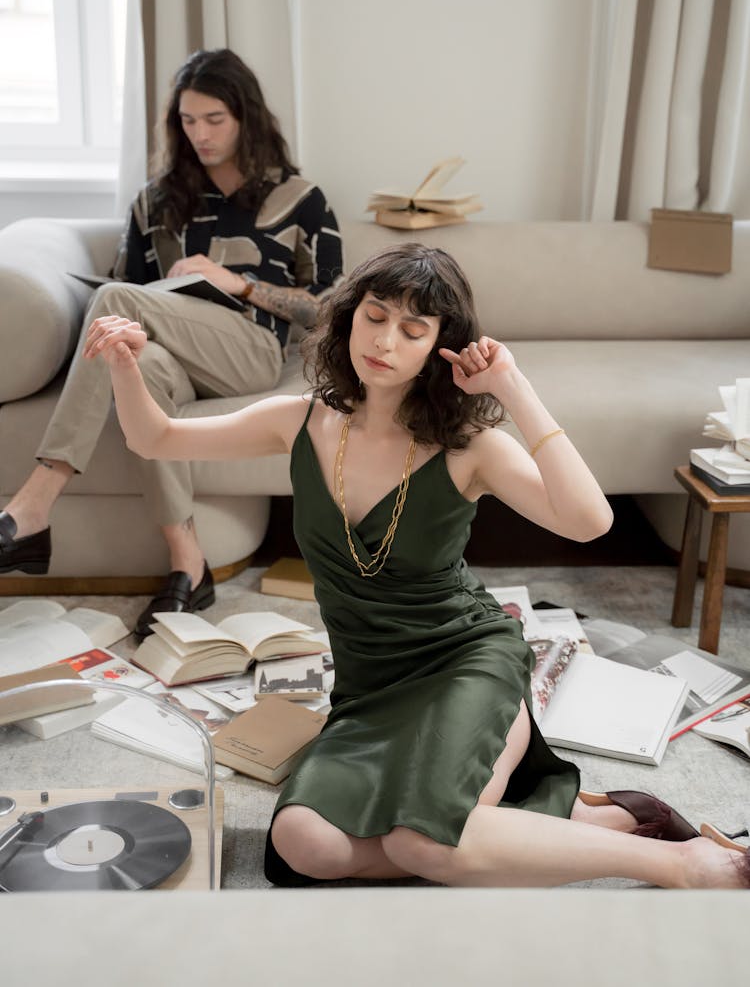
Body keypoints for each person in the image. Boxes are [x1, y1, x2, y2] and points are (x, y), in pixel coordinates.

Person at [82, 242, 749, 890]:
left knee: (420, 838)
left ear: (439, 344)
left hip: (465, 662)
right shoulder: (301, 421)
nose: (385, 342)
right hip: (370, 687)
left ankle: (681, 864)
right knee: (300, 842)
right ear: (350, 316)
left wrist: (513, 388)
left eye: (413, 328)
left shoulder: (470, 446)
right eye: (374, 317)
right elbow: (157, 437)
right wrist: (123, 365)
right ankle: (550, 825)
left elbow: (590, 521)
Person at [0, 49, 343, 638]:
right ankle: (188, 564)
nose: (200, 134)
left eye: (215, 119)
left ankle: (33, 506)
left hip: (248, 353)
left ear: (245, 117)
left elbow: (333, 309)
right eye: (188, 120)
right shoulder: (155, 200)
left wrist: (239, 284)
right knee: (136, 357)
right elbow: (132, 289)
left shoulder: (300, 199)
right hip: (172, 354)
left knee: (115, 304)